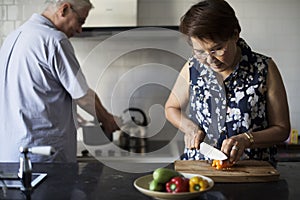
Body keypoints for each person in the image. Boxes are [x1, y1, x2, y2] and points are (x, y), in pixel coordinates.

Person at [165, 0, 290, 166]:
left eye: (217, 49)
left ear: (235, 34)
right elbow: (171, 108)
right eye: (200, 51)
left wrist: (247, 139)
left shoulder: (263, 68)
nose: (210, 60)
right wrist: (189, 127)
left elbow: (281, 129)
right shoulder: (192, 67)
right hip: (200, 171)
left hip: (252, 171)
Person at [0, 0, 120, 163]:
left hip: (9, 155)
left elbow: (29, 94)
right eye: (80, 21)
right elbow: (83, 96)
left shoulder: (13, 37)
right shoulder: (54, 40)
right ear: (64, 9)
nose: (79, 30)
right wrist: (107, 119)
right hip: (42, 156)